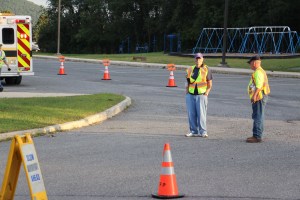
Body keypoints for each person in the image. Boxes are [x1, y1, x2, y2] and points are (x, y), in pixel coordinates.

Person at [185, 53, 212, 137]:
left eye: (199, 58)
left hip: (201, 95)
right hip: (191, 94)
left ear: (202, 59)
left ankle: (203, 131)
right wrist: (187, 92)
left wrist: (207, 92)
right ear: (194, 59)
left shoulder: (206, 69)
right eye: (196, 58)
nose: (198, 60)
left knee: (201, 114)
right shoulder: (190, 69)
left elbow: (210, 83)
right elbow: (188, 82)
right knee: (191, 114)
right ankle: (193, 131)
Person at [246, 55, 270, 143]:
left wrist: (254, 96)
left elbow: (259, 86)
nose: (250, 65)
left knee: (258, 116)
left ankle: (257, 136)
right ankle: (256, 135)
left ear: (255, 63)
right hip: (260, 96)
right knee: (258, 115)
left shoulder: (258, 72)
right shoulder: (259, 71)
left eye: (250, 63)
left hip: (259, 96)